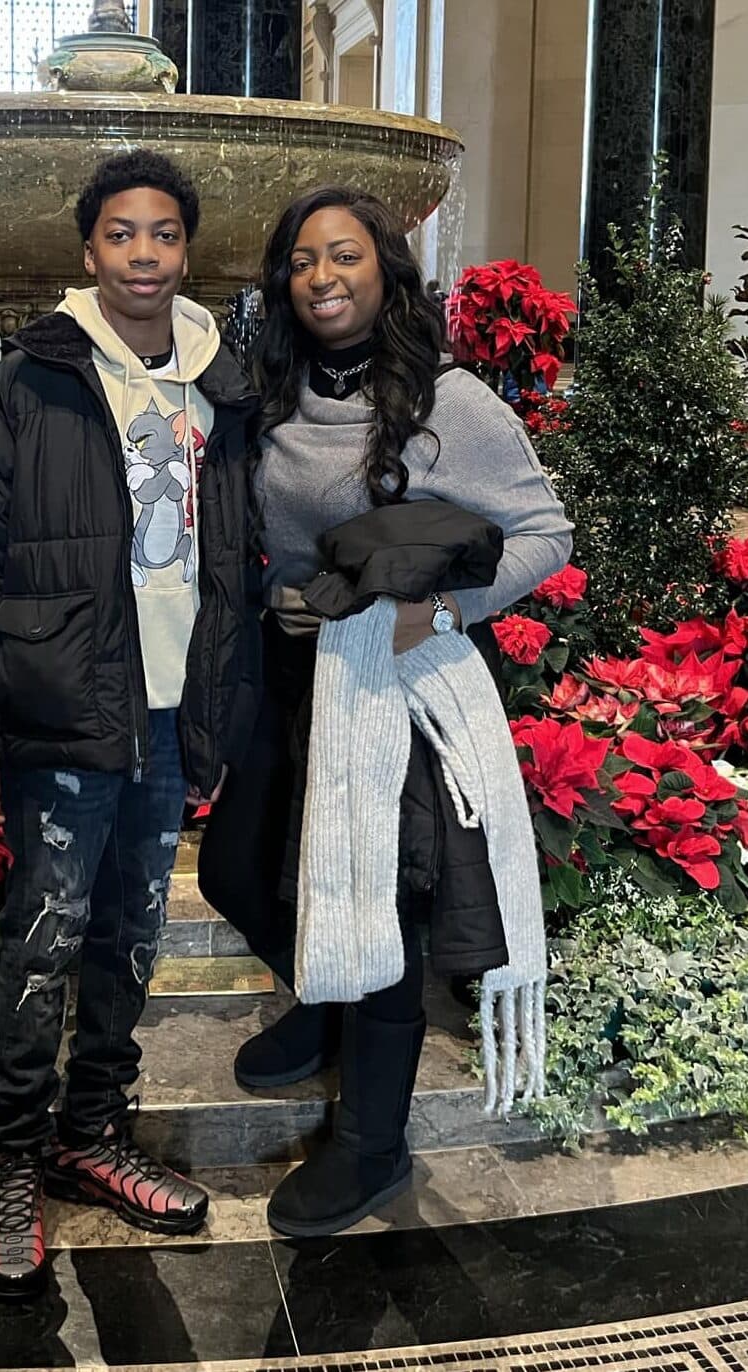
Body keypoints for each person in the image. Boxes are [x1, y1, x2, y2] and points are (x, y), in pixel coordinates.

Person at [198, 186, 573, 1239]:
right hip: (288, 675)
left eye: (344, 256)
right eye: (303, 260)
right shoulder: (271, 391)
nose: (322, 276)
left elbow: (546, 532)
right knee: (235, 867)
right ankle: (323, 991)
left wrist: (444, 607)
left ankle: (371, 1139)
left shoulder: (446, 402)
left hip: (391, 688)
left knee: (388, 917)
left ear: (386, 270)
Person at [0, 149, 258, 1296]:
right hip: (65, 708)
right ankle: (12, 1160)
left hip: (169, 720)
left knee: (129, 937)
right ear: (89, 251)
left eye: (164, 234)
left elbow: (241, 565)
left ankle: (91, 1129)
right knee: (45, 938)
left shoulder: (224, 380)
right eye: (123, 234)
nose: (145, 255)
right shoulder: (34, 382)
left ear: (184, 251)